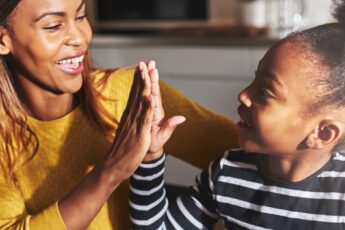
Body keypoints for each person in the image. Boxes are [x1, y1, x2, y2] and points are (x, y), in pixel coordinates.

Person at [0, 0, 239, 229]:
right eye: (53, 26)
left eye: (81, 16)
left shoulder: (130, 92)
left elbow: (257, 151)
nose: (80, 37)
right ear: (3, 40)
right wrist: (112, 170)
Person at [129, 1, 345, 229]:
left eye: (265, 92)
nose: (243, 95)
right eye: (254, 80)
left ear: (322, 133)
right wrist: (150, 158)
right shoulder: (226, 172)